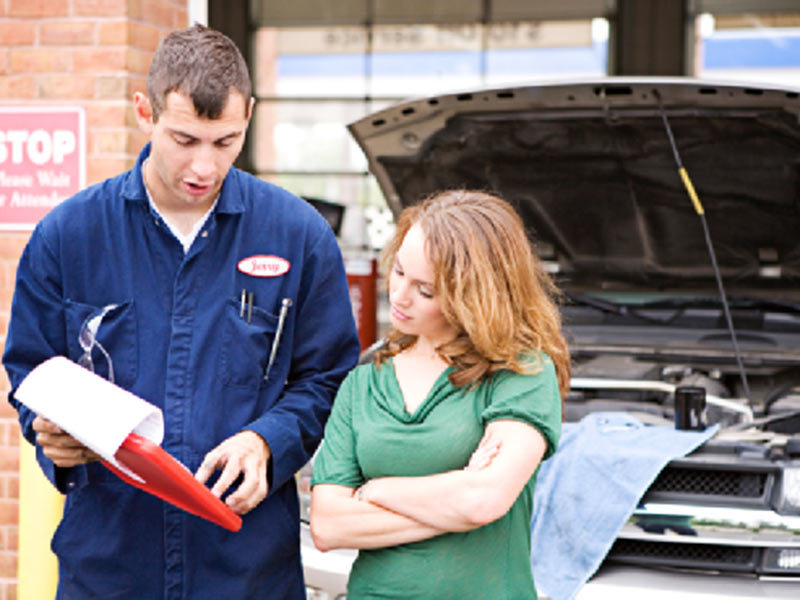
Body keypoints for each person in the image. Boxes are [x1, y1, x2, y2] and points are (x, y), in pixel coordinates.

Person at [2, 24, 361, 599]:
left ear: (249, 116)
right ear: (144, 111)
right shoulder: (67, 238)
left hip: (247, 574)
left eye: (225, 142)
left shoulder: (299, 238)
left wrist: (269, 441)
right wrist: (53, 437)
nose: (205, 167)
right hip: (108, 571)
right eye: (185, 139)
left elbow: (329, 377)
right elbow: (31, 370)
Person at [310, 190, 571, 599]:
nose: (399, 296)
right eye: (398, 271)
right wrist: (457, 499)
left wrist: (382, 490)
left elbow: (483, 501)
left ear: (475, 296)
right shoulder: (363, 383)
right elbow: (328, 526)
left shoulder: (521, 373)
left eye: (425, 290)